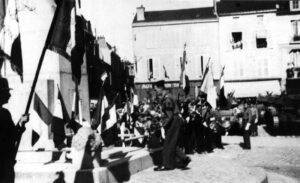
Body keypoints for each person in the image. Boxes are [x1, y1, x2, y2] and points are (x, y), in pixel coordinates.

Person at [153, 80, 191, 171]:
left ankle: (167, 165)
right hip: (174, 120)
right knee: (172, 142)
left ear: (160, 88)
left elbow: (169, 116)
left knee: (167, 143)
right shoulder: (169, 96)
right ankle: (184, 159)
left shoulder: (167, 99)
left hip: (173, 121)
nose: (156, 91)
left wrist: (163, 125)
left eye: (156, 89)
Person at [0, 78, 29, 183]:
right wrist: (21, 123)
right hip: (3, 166)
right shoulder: (3, 114)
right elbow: (12, 136)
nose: (9, 95)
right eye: (6, 92)